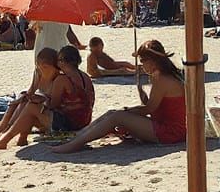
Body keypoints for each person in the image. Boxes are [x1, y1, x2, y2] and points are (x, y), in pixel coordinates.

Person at [52, 42, 186, 153]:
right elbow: (155, 107)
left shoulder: (161, 78)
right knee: (113, 113)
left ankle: (75, 144)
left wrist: (128, 111)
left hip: (170, 132)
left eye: (142, 61)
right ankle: (79, 136)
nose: (141, 65)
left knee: (117, 116)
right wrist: (140, 93)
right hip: (164, 125)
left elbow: (149, 109)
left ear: (152, 61)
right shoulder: (163, 75)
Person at [0, 45, 93, 150]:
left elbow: (53, 105)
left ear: (62, 61)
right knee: (30, 108)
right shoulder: (85, 76)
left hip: (70, 125)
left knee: (32, 107)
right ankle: (20, 139)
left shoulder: (62, 79)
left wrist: (42, 100)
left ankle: (4, 140)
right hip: (83, 122)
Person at [0, 47, 60, 138]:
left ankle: (8, 131)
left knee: (27, 105)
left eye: (45, 67)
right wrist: (24, 97)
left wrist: (41, 100)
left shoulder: (59, 79)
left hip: (49, 115)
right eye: (39, 66)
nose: (41, 69)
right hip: (39, 109)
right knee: (19, 102)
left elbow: (55, 104)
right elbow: (31, 90)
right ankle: (2, 129)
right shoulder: (38, 73)